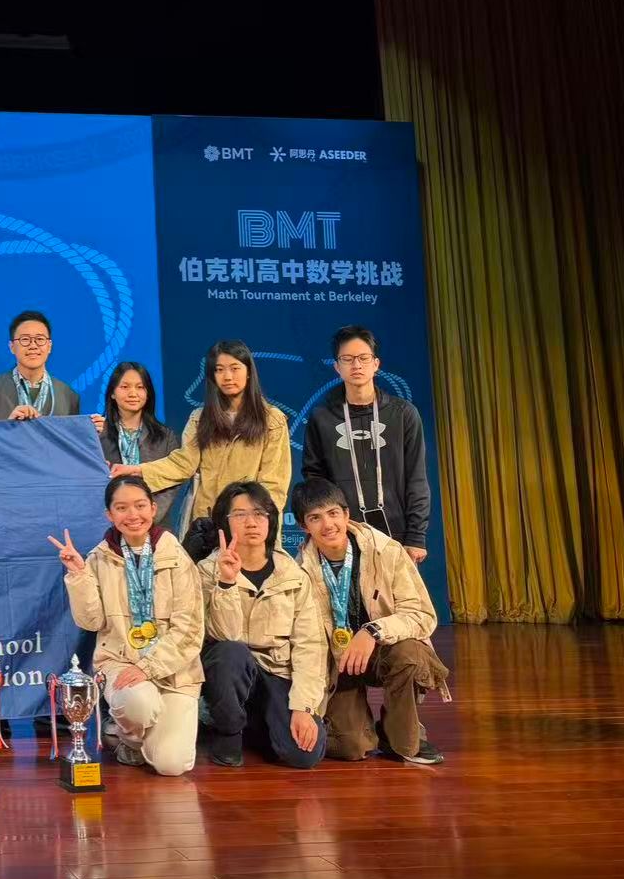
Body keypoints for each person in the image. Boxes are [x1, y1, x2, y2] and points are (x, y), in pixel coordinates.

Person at [48, 474, 203, 776]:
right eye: (121, 508)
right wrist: (79, 575)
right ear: (109, 514)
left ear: (153, 508)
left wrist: (148, 667)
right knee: (139, 704)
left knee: (172, 765)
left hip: (175, 670)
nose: (133, 515)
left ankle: (140, 733)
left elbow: (190, 629)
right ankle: (130, 740)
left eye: (140, 505)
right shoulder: (98, 558)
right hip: (120, 661)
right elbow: (91, 621)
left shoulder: (177, 556)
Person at [292, 477, 449, 766]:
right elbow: (306, 643)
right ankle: (359, 729)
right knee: (351, 747)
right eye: (315, 518)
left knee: (410, 654)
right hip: (337, 663)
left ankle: (398, 734)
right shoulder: (299, 572)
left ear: (346, 514)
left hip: (382, 650)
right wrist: (306, 705)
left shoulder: (386, 550)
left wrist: (373, 631)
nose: (328, 524)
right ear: (304, 526)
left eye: (333, 513)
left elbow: (421, 615)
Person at [113, 339, 291, 554]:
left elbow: (274, 483)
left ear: (248, 372)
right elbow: (183, 464)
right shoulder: (200, 418)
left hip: (250, 525)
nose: (227, 376)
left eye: (235, 368)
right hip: (206, 525)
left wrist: (255, 520)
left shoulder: (271, 420)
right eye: (219, 370)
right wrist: (138, 470)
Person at [196, 482, 327, 769]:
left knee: (304, 756)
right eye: (240, 515)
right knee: (230, 652)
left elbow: (310, 645)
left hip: (277, 673)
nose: (251, 522)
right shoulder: (206, 571)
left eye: (259, 513)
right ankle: (228, 731)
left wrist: (304, 707)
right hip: (230, 672)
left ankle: (255, 726)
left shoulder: (293, 575)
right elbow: (225, 635)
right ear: (225, 523)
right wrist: (226, 582)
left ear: (271, 520)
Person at [301, 326, 433, 564]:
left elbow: (416, 477)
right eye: (347, 359)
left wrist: (416, 536)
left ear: (376, 364)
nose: (356, 365)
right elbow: (315, 480)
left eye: (363, 358)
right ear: (337, 367)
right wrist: (328, 529)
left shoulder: (403, 414)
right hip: (344, 534)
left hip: (398, 535)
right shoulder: (322, 418)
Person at [90, 361, 182, 525]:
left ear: (148, 394)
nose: (133, 393)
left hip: (155, 526)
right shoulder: (98, 435)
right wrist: (89, 436)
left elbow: (172, 482)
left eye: (140, 387)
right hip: (109, 526)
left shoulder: (165, 437)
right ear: (112, 393)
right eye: (125, 387)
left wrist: (145, 518)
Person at [0, 310, 82, 421]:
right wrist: (8, 426)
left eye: (40, 339)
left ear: (49, 346)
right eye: (25, 339)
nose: (33, 346)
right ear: (12, 347)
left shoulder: (69, 396)